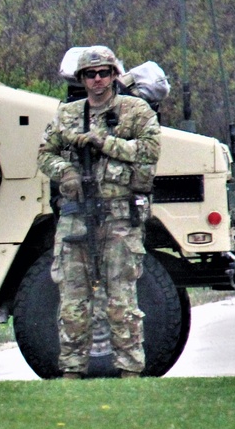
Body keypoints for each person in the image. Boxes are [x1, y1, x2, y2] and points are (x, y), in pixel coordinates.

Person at [37, 46, 161, 379]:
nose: (98, 80)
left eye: (104, 73)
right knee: (73, 302)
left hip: (120, 215)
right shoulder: (67, 114)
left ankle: (130, 371)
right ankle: (72, 372)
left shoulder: (135, 110)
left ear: (114, 75)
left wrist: (104, 143)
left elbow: (149, 150)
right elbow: (45, 154)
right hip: (77, 215)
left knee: (121, 300)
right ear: (81, 79)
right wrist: (66, 172)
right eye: (90, 74)